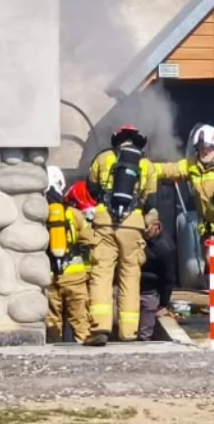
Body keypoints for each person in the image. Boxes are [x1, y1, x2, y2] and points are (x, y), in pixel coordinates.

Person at [153, 124, 214, 315]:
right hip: (207, 229)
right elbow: (170, 169)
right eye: (201, 148)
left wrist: (211, 215)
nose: (204, 151)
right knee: (212, 268)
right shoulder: (193, 165)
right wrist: (147, 168)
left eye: (208, 147)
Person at [84, 124, 161, 346]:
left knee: (102, 274)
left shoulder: (103, 158)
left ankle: (100, 327)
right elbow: (151, 201)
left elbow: (92, 188)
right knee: (130, 277)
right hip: (133, 226)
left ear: (117, 140)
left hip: (105, 223)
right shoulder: (147, 165)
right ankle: (128, 331)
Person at [46, 177, 97, 343]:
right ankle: (84, 353)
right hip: (75, 277)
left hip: (49, 277)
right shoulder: (74, 214)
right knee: (80, 320)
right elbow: (90, 240)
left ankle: (54, 351)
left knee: (52, 322)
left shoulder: (39, 215)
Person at [137, 219, 175, 341]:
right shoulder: (137, 236)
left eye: (146, 229)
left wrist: (163, 303)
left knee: (145, 333)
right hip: (129, 285)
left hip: (149, 290)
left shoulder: (165, 247)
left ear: (156, 226)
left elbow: (168, 278)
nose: (143, 232)